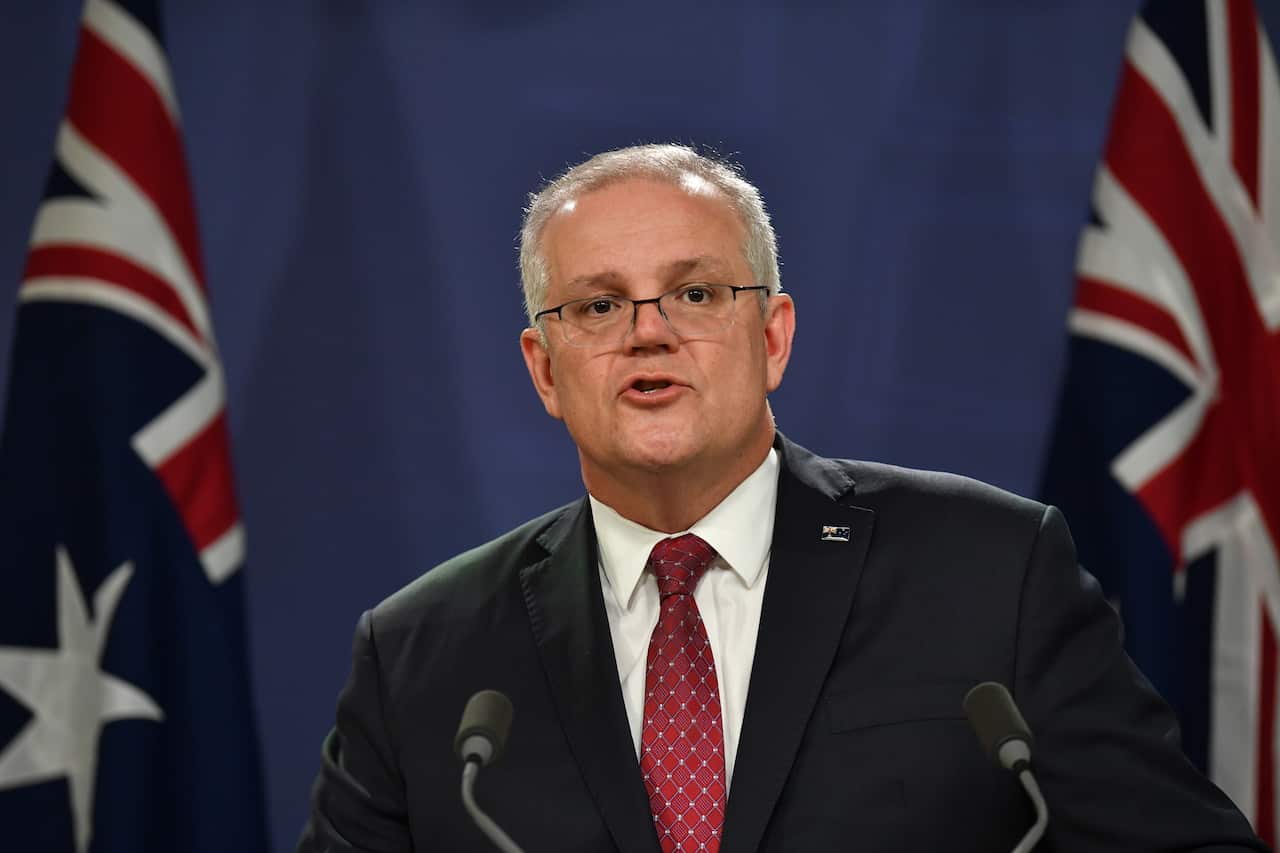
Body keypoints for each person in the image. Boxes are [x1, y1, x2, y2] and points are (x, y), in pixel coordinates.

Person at [297, 144, 1266, 852]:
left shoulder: (985, 572)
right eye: (596, 305)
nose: (647, 333)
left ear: (772, 336)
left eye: (696, 293)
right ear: (544, 370)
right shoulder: (424, 650)